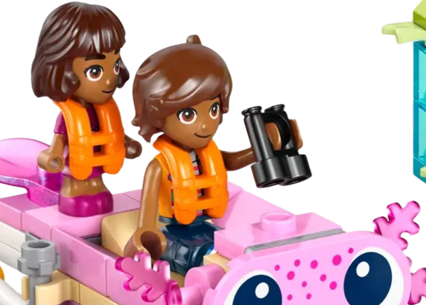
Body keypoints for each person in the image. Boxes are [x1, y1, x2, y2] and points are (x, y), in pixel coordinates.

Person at [126, 35, 303, 271]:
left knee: (233, 249)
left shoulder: (209, 153)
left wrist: (263, 149)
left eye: (213, 109)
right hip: (172, 233)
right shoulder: (160, 165)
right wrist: (144, 237)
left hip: (208, 227)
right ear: (157, 117)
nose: (205, 124)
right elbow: (146, 220)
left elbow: (230, 161)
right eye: (188, 115)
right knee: (199, 256)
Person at [29, 1, 144, 217]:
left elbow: (115, 134)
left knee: (100, 195)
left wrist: (127, 144)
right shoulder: (69, 115)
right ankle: (72, 194)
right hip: (75, 173)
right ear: (61, 70)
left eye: (115, 65)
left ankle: (95, 191)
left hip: (98, 171)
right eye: (95, 71)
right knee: (79, 191)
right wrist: (53, 155)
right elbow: (60, 140)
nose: (109, 79)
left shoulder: (106, 111)